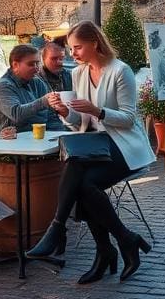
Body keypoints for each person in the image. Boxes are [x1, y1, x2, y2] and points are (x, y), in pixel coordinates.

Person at [27, 21, 157, 284]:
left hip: (124, 144)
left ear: (94, 43)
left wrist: (98, 111)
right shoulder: (78, 73)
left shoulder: (120, 71)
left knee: (81, 179)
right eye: (71, 48)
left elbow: (129, 119)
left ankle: (64, 230)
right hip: (94, 144)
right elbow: (80, 121)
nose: (72, 54)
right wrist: (65, 112)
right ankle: (118, 243)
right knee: (84, 183)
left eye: (77, 47)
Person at [0, 44, 66, 136]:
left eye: (37, 63)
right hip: (14, 139)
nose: (36, 68)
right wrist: (43, 101)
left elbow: (51, 116)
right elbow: (16, 114)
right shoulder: (3, 87)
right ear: (15, 65)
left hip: (41, 137)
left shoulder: (37, 82)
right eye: (31, 64)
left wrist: (62, 135)